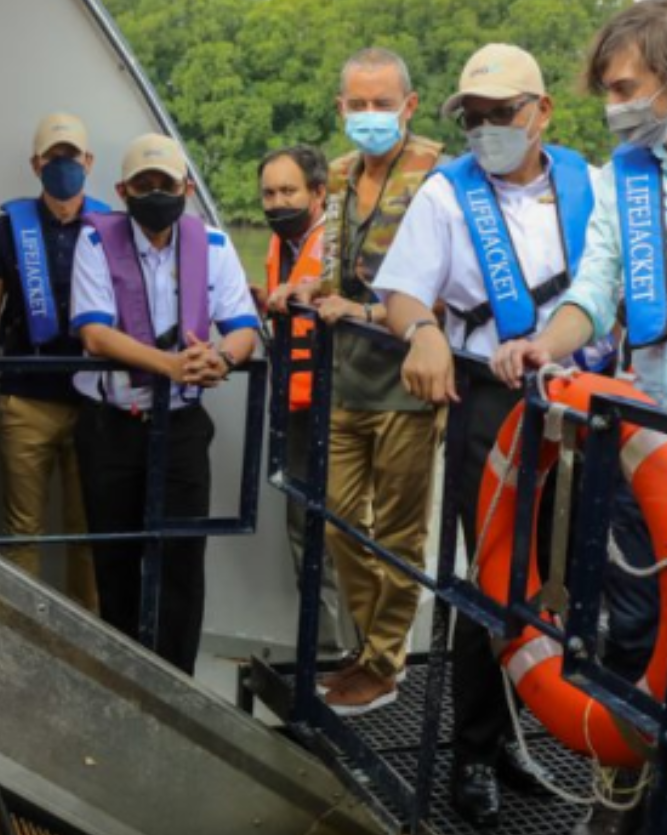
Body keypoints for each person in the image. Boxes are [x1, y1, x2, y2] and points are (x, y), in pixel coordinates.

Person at [377, 43, 656, 827]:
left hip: (583, 398)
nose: (486, 128)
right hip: (492, 400)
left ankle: (524, 733)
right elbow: (401, 290)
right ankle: (475, 748)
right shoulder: (445, 193)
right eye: (471, 116)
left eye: (501, 113)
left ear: (541, 113)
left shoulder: (593, 183)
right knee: (499, 577)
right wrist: (423, 331)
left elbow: (625, 281)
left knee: (575, 571)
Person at [492, 0, 667, 835]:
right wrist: (540, 345)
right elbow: (594, 289)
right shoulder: (625, 178)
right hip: (646, 436)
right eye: (606, 89)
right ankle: (622, 782)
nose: (614, 103)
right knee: (629, 619)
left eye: (626, 86)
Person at [71, 133, 259, 675]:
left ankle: (178, 679)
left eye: (166, 184)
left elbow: (243, 327)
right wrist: (174, 366)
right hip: (112, 426)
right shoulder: (94, 244)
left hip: (180, 426)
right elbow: (95, 334)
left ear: (188, 189)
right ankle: (122, 671)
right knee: (116, 554)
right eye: (143, 184)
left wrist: (221, 358)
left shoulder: (215, 247)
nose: (156, 193)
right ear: (121, 190)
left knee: (181, 557)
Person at [297, 47, 444, 716]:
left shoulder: (439, 175)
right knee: (335, 524)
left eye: (383, 104)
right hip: (346, 381)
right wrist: (308, 291)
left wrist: (361, 310)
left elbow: (446, 286)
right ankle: (374, 645)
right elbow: (335, 268)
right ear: (340, 109)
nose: (370, 116)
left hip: (407, 385)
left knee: (401, 534)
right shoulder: (335, 175)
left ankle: (384, 662)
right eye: (357, 104)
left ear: (409, 107)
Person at [0, 113, 106, 609]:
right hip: (26, 398)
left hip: (95, 401)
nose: (63, 165)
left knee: (89, 532)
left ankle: (91, 645)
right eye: (53, 157)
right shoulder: (8, 231)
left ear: (89, 162)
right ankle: (21, 631)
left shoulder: (111, 227)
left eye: (71, 156)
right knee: (22, 531)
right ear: (36, 164)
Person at [260, 144, 348, 653]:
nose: (276, 202)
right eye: (269, 193)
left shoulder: (339, 244)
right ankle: (326, 647)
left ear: (318, 193)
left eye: (288, 191)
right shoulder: (281, 246)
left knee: (335, 532)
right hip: (295, 411)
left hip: (336, 411)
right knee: (305, 529)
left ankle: (340, 655)